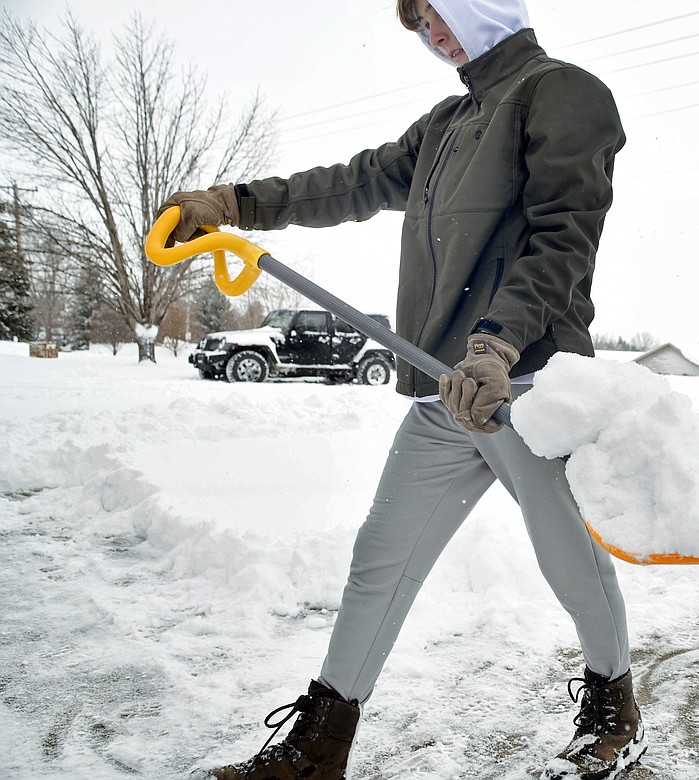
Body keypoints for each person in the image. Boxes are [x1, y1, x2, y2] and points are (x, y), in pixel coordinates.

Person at [160, 2, 643, 779]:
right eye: (420, 25)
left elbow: (565, 238)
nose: (435, 34)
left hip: (521, 383)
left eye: (441, 11)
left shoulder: (562, 92)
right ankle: (318, 750)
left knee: (569, 562)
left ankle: (614, 715)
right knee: (379, 561)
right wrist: (235, 203)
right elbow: (351, 183)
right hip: (441, 388)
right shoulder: (448, 121)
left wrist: (497, 341)